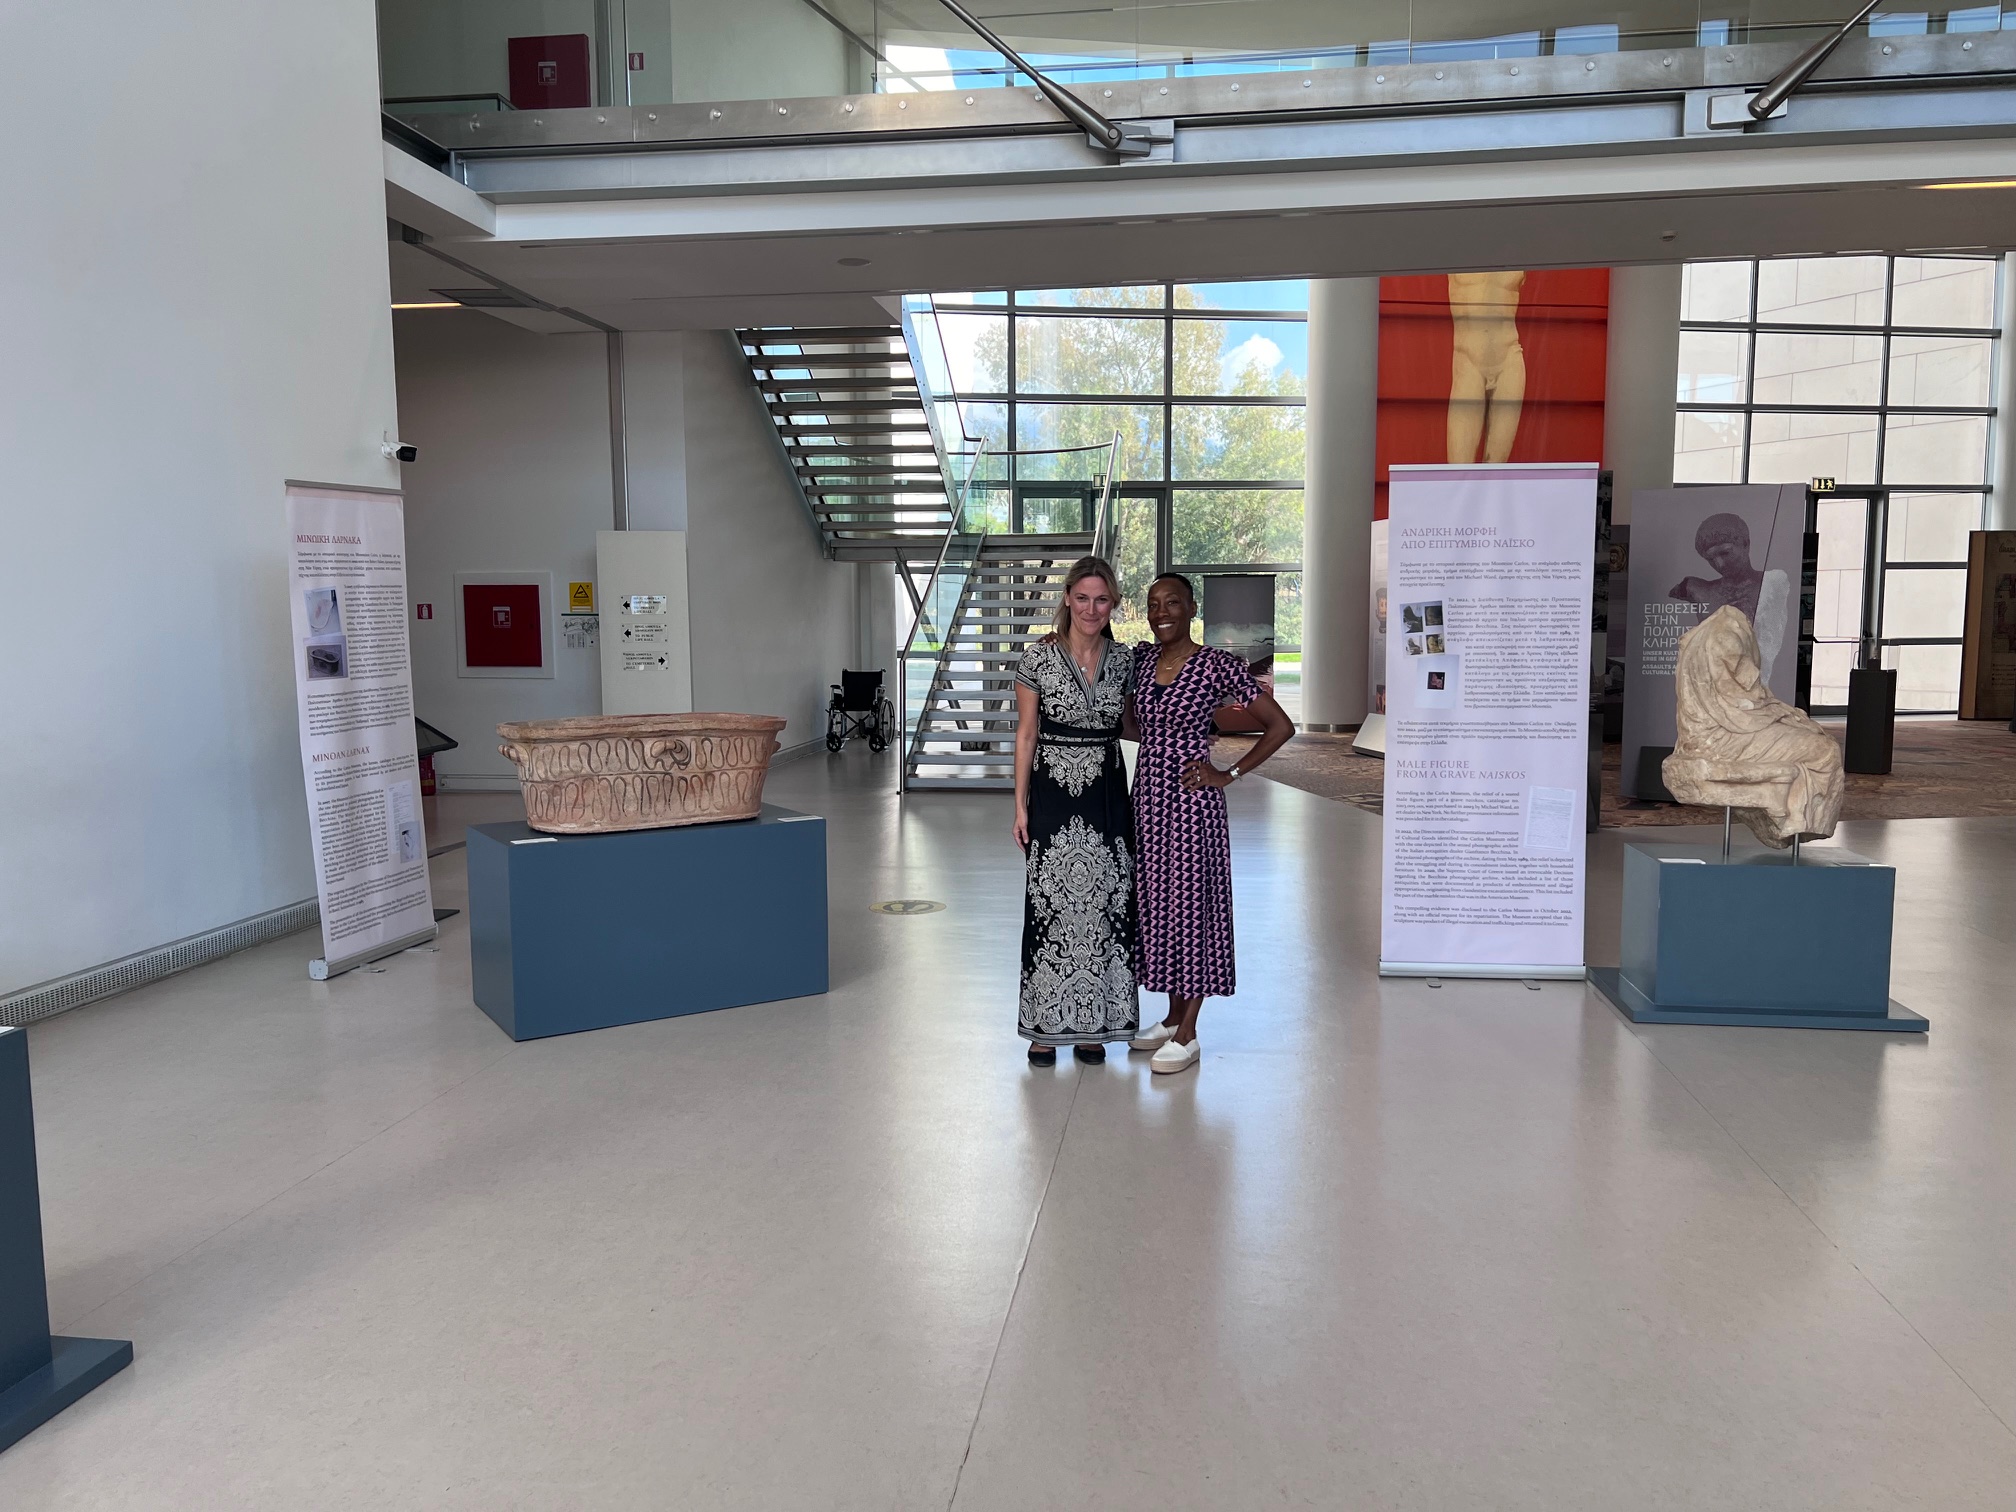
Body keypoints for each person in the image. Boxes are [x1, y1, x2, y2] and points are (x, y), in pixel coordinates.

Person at [1127, 573, 1296, 1074]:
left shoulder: (1216, 666)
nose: (1163, 612)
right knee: (1160, 905)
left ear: (1191, 608)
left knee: (1194, 907)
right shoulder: (1142, 661)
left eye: (1173, 602)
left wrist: (1228, 773)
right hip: (1150, 802)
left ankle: (1189, 1030)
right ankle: (1171, 1013)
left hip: (1192, 804)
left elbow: (1280, 725)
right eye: (1154, 603)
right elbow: (1132, 723)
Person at [1012, 556, 1138, 1065]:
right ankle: (1044, 1026)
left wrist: (1185, 734)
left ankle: (1093, 1024)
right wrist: (1018, 805)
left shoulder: (1126, 661)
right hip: (1052, 791)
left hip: (1107, 788)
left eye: (1101, 599)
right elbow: (1025, 735)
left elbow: (1131, 724)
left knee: (1106, 901)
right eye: (1082, 598)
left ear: (1113, 604)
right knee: (1051, 902)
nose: (1091, 608)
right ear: (1067, 598)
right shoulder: (1036, 660)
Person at [1669, 512, 1790, 684]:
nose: (1719, 564)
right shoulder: (1698, 589)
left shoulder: (1773, 582)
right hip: (1712, 686)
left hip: (1756, 686)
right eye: (1710, 559)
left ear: (1745, 544)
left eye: (1725, 553)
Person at [1447, 270, 1527, 464]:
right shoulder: (1453, 246)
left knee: (1497, 467)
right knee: (1458, 469)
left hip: (1509, 357)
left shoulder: (1520, 251)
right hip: (1468, 360)